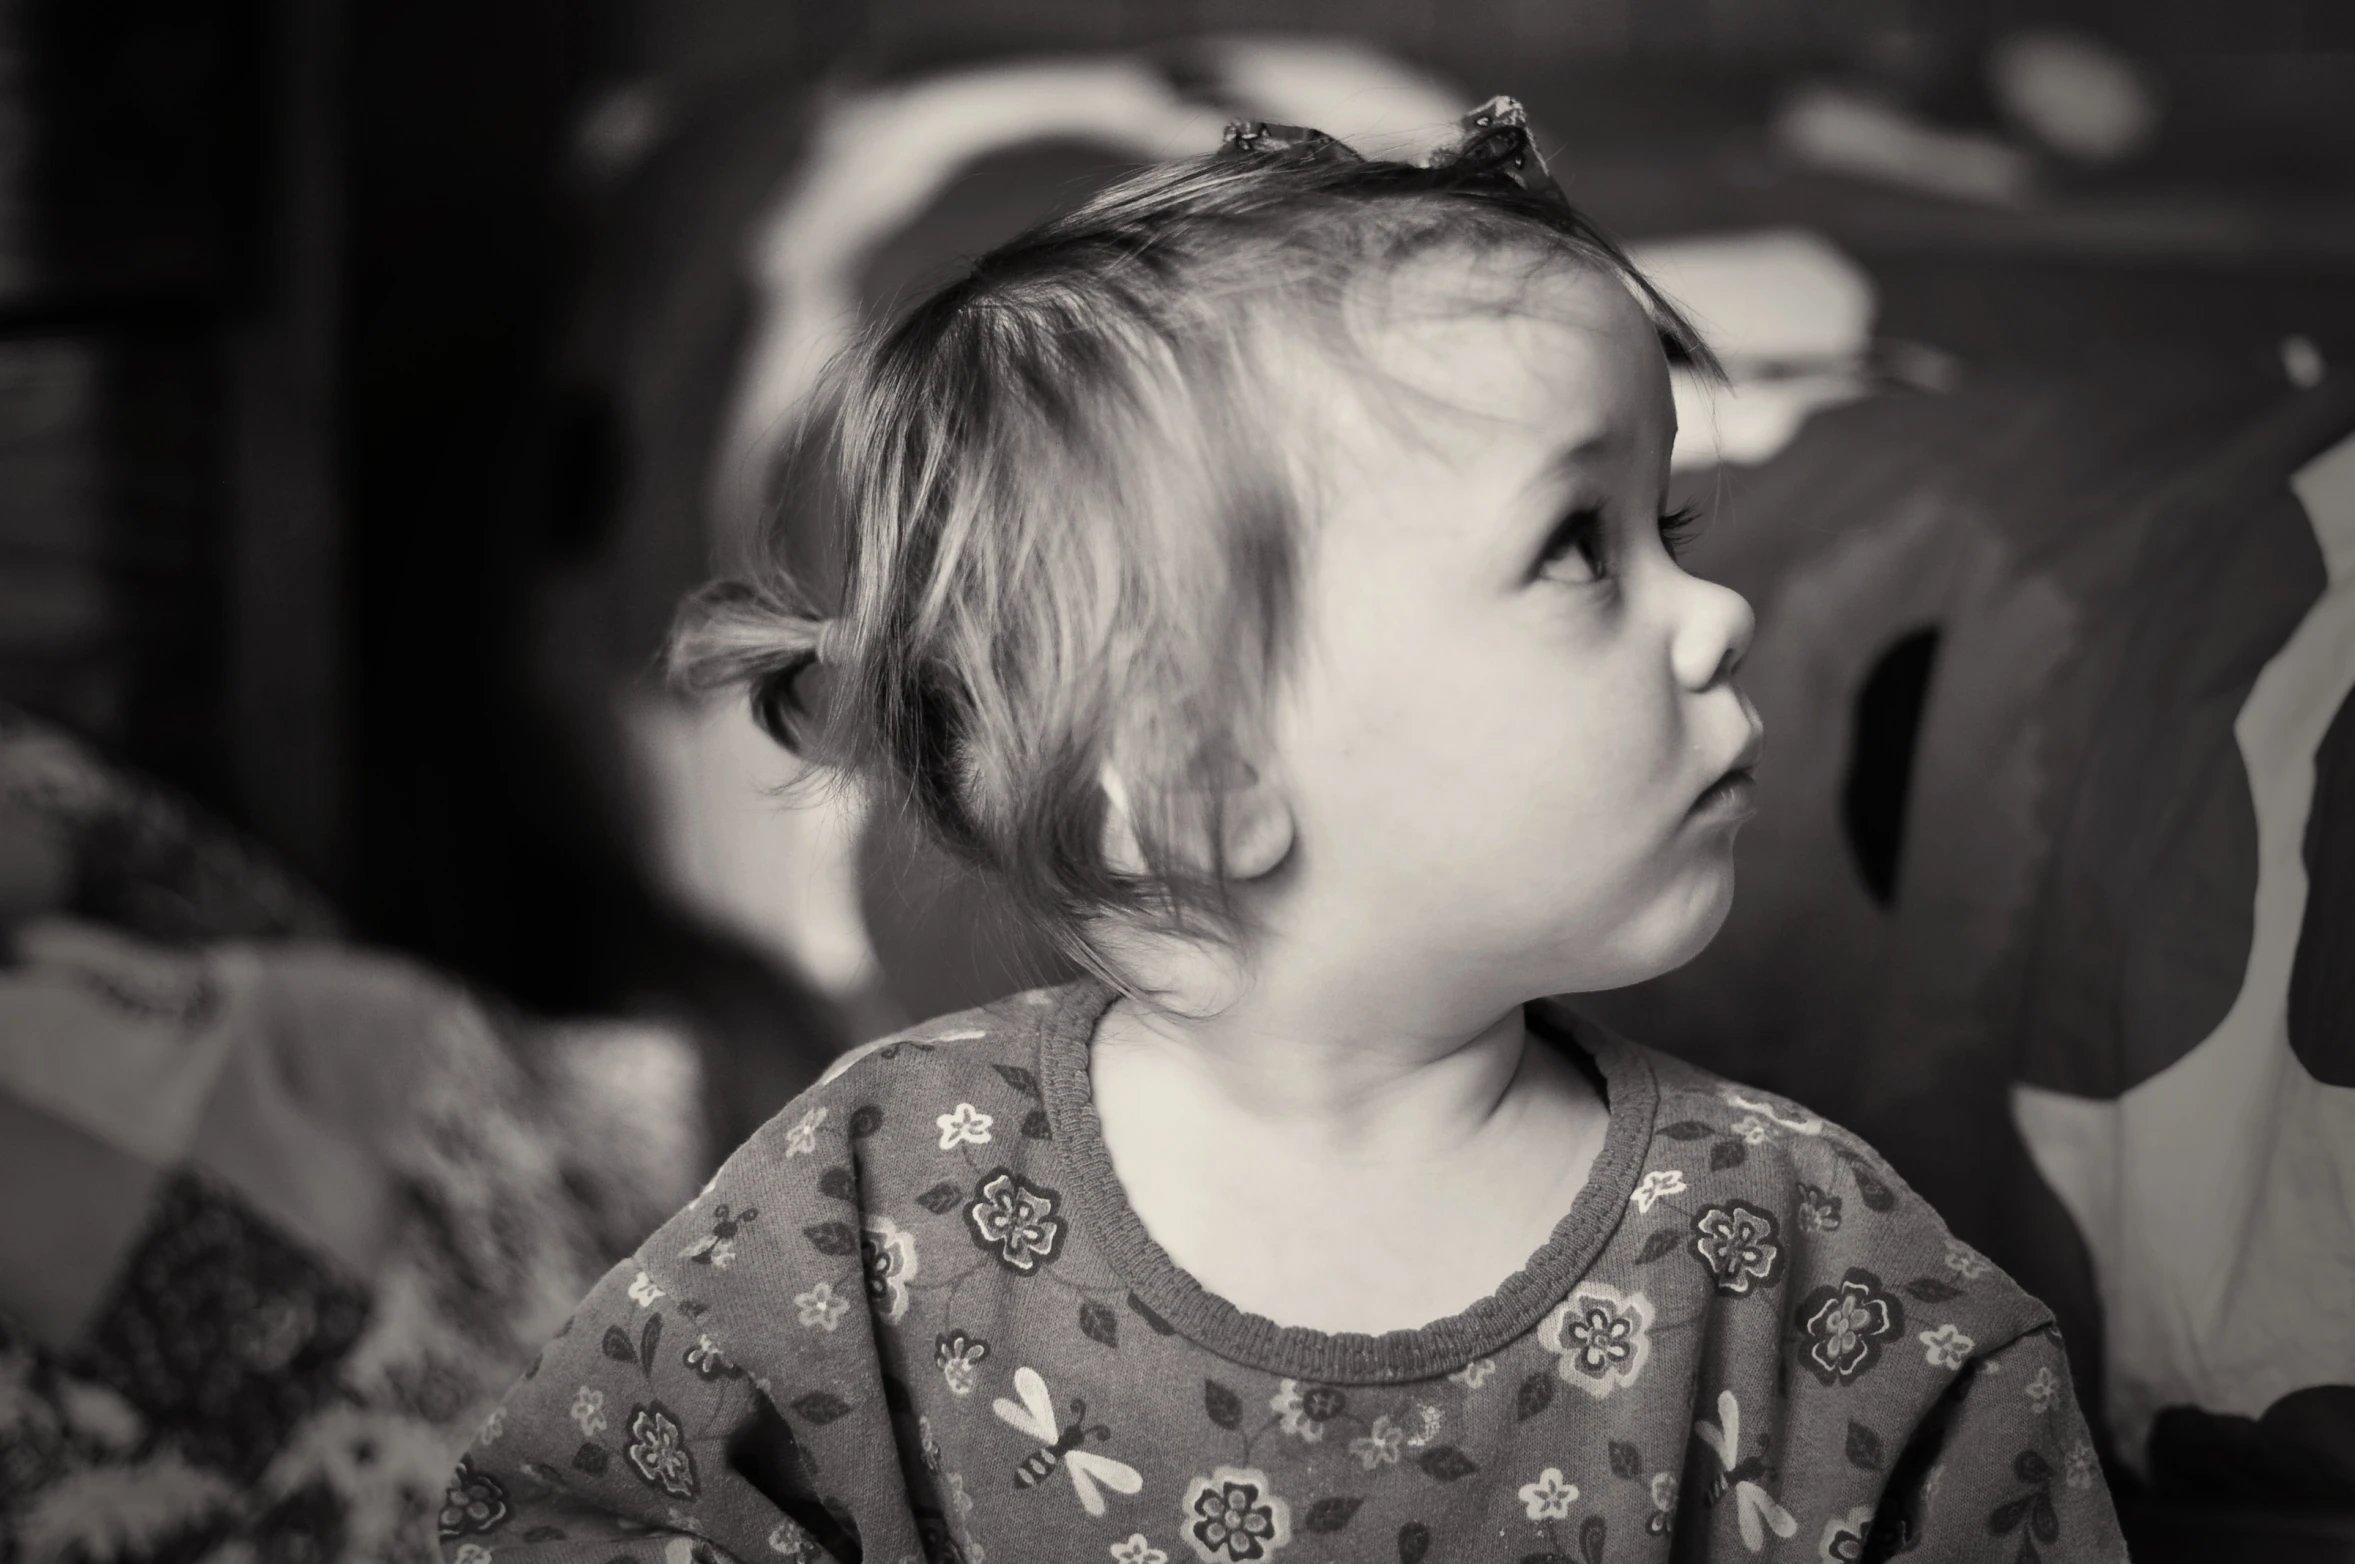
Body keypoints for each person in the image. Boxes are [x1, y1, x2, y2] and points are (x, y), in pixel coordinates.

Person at [438, 99, 2125, 1564]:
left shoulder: (1802, 1266)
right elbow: (564, 1509)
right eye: (1577, 547)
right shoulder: (879, 1198)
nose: (1720, 614)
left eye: (1665, 519)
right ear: (1196, 783)